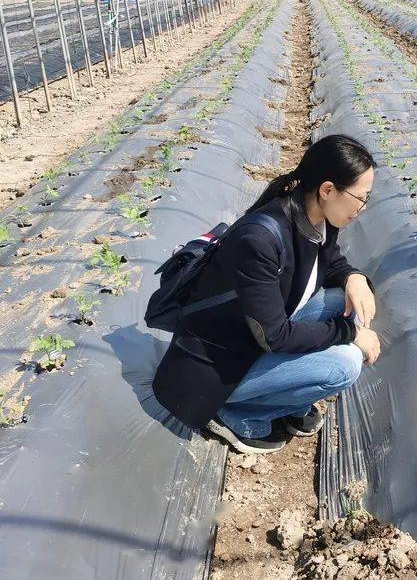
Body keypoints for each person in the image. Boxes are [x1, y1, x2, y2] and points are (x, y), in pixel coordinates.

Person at [152, 134, 383, 454]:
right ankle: (237, 413)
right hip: (218, 367)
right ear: (328, 190)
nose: (363, 207)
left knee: (340, 301)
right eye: (361, 197)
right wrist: (350, 333)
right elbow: (275, 336)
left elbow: (330, 263)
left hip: (255, 335)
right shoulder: (261, 239)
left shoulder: (317, 215)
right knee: (344, 364)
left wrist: (353, 277)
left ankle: (287, 400)